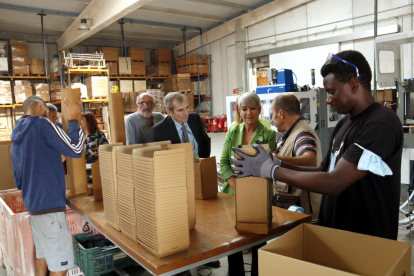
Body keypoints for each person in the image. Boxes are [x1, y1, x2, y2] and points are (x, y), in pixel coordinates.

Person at [232, 50, 403, 240]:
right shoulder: (344, 123)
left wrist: (270, 170)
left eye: (331, 92)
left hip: (366, 239)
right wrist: (275, 162)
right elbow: (322, 171)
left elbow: (335, 182)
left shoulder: (380, 124)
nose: (328, 100)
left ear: (353, 84)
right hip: (336, 233)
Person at [11, 95, 84, 275]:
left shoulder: (18, 135)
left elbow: (19, 181)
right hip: (50, 207)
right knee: (60, 267)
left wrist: (49, 162)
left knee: (42, 258)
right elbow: (75, 149)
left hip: (35, 207)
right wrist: (74, 120)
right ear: (41, 106)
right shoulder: (43, 124)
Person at [271, 94, 322, 219]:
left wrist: (273, 159)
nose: (272, 119)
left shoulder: (303, 134)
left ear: (281, 114)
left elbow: (309, 160)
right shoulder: (292, 134)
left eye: (273, 115)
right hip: (291, 207)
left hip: (303, 211)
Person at [220, 92, 276, 196]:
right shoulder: (232, 132)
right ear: (239, 111)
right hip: (232, 191)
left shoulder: (269, 135)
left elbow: (269, 166)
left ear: (259, 109)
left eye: (253, 108)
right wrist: (235, 186)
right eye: (244, 109)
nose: (249, 113)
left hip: (259, 190)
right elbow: (224, 162)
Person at [150, 92, 211, 158]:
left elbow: (205, 141)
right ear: (169, 112)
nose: (186, 113)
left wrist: (201, 161)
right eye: (180, 110)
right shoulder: (159, 130)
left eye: (187, 107)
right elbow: (159, 158)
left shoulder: (195, 118)